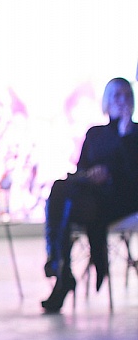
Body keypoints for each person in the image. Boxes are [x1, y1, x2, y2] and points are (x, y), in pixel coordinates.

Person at [42, 76, 138, 313]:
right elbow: (80, 169)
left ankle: (60, 271)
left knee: (67, 204)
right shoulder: (95, 133)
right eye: (117, 95)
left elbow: (134, 175)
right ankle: (61, 267)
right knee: (61, 188)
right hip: (92, 197)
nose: (123, 100)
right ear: (107, 100)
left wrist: (126, 136)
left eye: (127, 95)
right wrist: (92, 174)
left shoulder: (135, 133)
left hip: (121, 199)